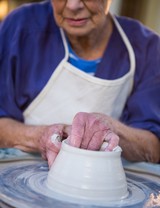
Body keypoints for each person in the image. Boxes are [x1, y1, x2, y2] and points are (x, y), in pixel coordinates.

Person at [0, 0, 159, 168]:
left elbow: (153, 147)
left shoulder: (148, 48)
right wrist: (41, 137)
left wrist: (112, 129)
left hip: (99, 182)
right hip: (20, 174)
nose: (73, 5)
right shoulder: (20, 27)